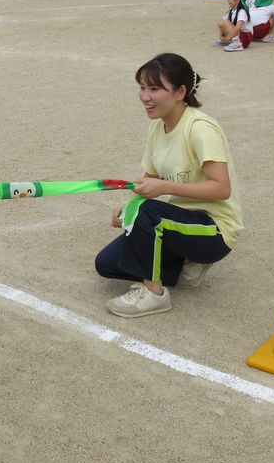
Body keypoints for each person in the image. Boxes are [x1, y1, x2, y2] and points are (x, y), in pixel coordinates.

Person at [95, 53, 242, 317]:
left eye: (154, 88)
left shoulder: (199, 128)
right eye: (142, 87)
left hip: (214, 229)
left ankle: (154, 294)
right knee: (107, 264)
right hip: (181, 221)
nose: (145, 96)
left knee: (149, 212)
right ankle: (187, 266)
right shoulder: (157, 127)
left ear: (180, 92)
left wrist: (165, 188)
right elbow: (149, 178)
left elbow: (221, 188)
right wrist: (130, 209)